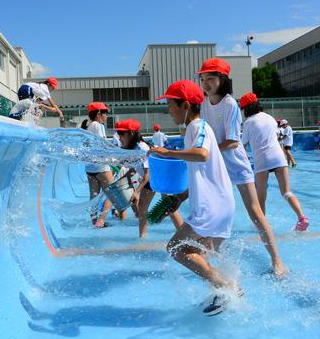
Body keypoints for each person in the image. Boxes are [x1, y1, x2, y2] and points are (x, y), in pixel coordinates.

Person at [148, 79, 241, 315]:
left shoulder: (196, 127)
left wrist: (166, 152)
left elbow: (201, 154)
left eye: (171, 105)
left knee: (176, 248)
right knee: (198, 255)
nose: (169, 111)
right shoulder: (198, 128)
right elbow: (202, 170)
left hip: (212, 207)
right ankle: (223, 293)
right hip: (221, 204)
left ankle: (227, 287)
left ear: (186, 105)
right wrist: (181, 197)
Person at [198, 58, 294, 274]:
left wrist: (207, 151)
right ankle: (214, 258)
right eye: (203, 79)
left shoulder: (230, 104)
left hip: (237, 165)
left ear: (222, 80)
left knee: (255, 212)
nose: (205, 83)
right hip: (217, 167)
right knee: (212, 212)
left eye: (210, 78)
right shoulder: (204, 104)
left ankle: (277, 259)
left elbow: (233, 141)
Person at [239, 93, 309, 230]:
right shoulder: (270, 118)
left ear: (246, 109)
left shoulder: (248, 123)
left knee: (261, 197)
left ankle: (261, 225)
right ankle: (302, 218)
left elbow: (242, 145)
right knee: (286, 192)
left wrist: (245, 156)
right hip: (278, 157)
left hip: (262, 160)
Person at [116, 119, 182, 238]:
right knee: (147, 207)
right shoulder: (135, 148)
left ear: (131, 133)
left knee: (166, 206)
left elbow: (147, 175)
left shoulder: (142, 148)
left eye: (121, 133)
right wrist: (125, 177)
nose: (119, 137)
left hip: (159, 178)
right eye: (118, 133)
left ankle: (182, 232)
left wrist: (136, 192)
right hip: (155, 178)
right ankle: (143, 236)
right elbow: (137, 167)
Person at [81, 101, 115, 227]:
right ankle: (101, 221)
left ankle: (94, 221)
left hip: (90, 166)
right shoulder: (97, 125)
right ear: (99, 113)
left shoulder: (88, 125)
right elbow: (103, 145)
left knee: (94, 196)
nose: (106, 116)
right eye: (105, 113)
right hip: (101, 165)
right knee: (113, 193)